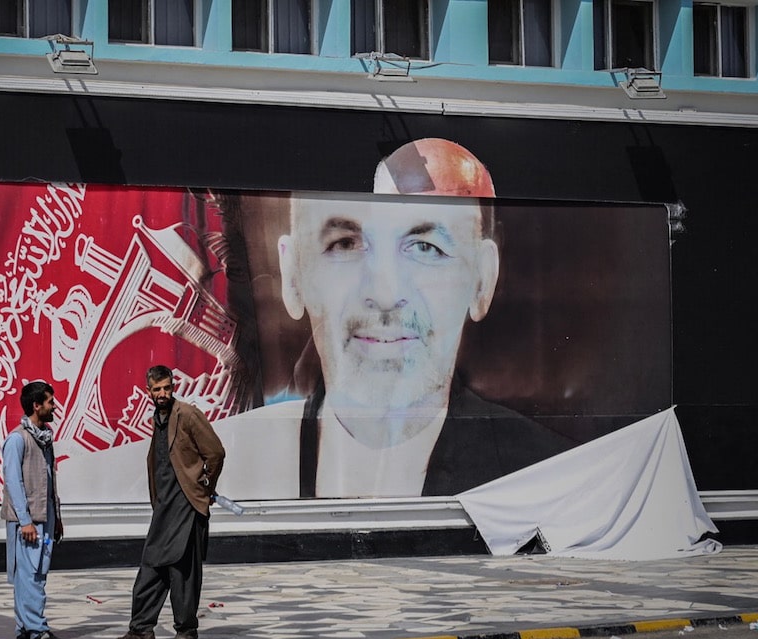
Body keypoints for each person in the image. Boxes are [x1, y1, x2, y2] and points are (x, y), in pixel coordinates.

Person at [215, 138, 571, 499]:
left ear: (482, 281)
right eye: (345, 244)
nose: (385, 295)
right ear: (292, 277)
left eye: (426, 248)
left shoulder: (550, 481)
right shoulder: (223, 468)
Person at [114, 365, 226, 639]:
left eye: (167, 388)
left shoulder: (186, 414)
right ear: (148, 391)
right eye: (157, 389)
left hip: (186, 504)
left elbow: (215, 452)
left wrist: (205, 486)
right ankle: (141, 629)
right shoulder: (158, 419)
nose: (163, 394)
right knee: (151, 566)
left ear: (173, 387)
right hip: (164, 507)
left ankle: (187, 630)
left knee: (182, 569)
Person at [0, 380, 65, 639]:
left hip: (44, 519)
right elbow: (13, 482)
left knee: (33, 572)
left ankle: (25, 627)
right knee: (31, 574)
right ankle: (37, 629)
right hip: (29, 522)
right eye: (50, 401)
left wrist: (56, 519)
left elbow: (48, 482)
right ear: (36, 406)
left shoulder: (44, 438)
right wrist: (26, 521)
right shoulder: (18, 439)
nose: (54, 406)